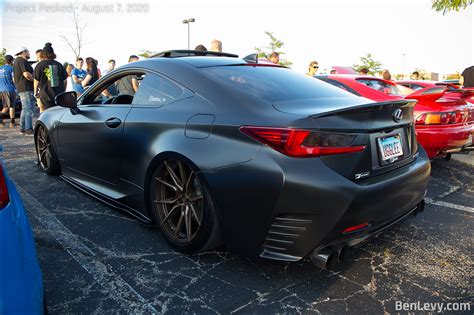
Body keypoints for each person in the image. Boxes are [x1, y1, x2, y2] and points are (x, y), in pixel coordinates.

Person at [33, 43, 68, 112]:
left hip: (46, 94)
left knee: (45, 112)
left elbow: (36, 80)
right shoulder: (59, 64)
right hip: (58, 94)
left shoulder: (40, 65)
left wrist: (35, 91)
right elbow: (65, 81)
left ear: (43, 54)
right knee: (58, 112)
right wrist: (63, 90)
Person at [13, 46, 35, 135]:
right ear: (23, 52)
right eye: (28, 51)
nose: (29, 53)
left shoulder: (16, 62)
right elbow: (26, 74)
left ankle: (22, 128)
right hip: (26, 88)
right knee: (29, 109)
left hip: (21, 88)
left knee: (25, 109)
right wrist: (35, 80)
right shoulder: (22, 61)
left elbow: (14, 78)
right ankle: (28, 129)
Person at [0, 55, 17, 127]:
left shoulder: (0, 68)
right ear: (11, 61)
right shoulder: (11, 68)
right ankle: (8, 122)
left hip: (1, 89)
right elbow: (14, 79)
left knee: (9, 106)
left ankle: (11, 122)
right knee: (8, 106)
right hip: (9, 89)